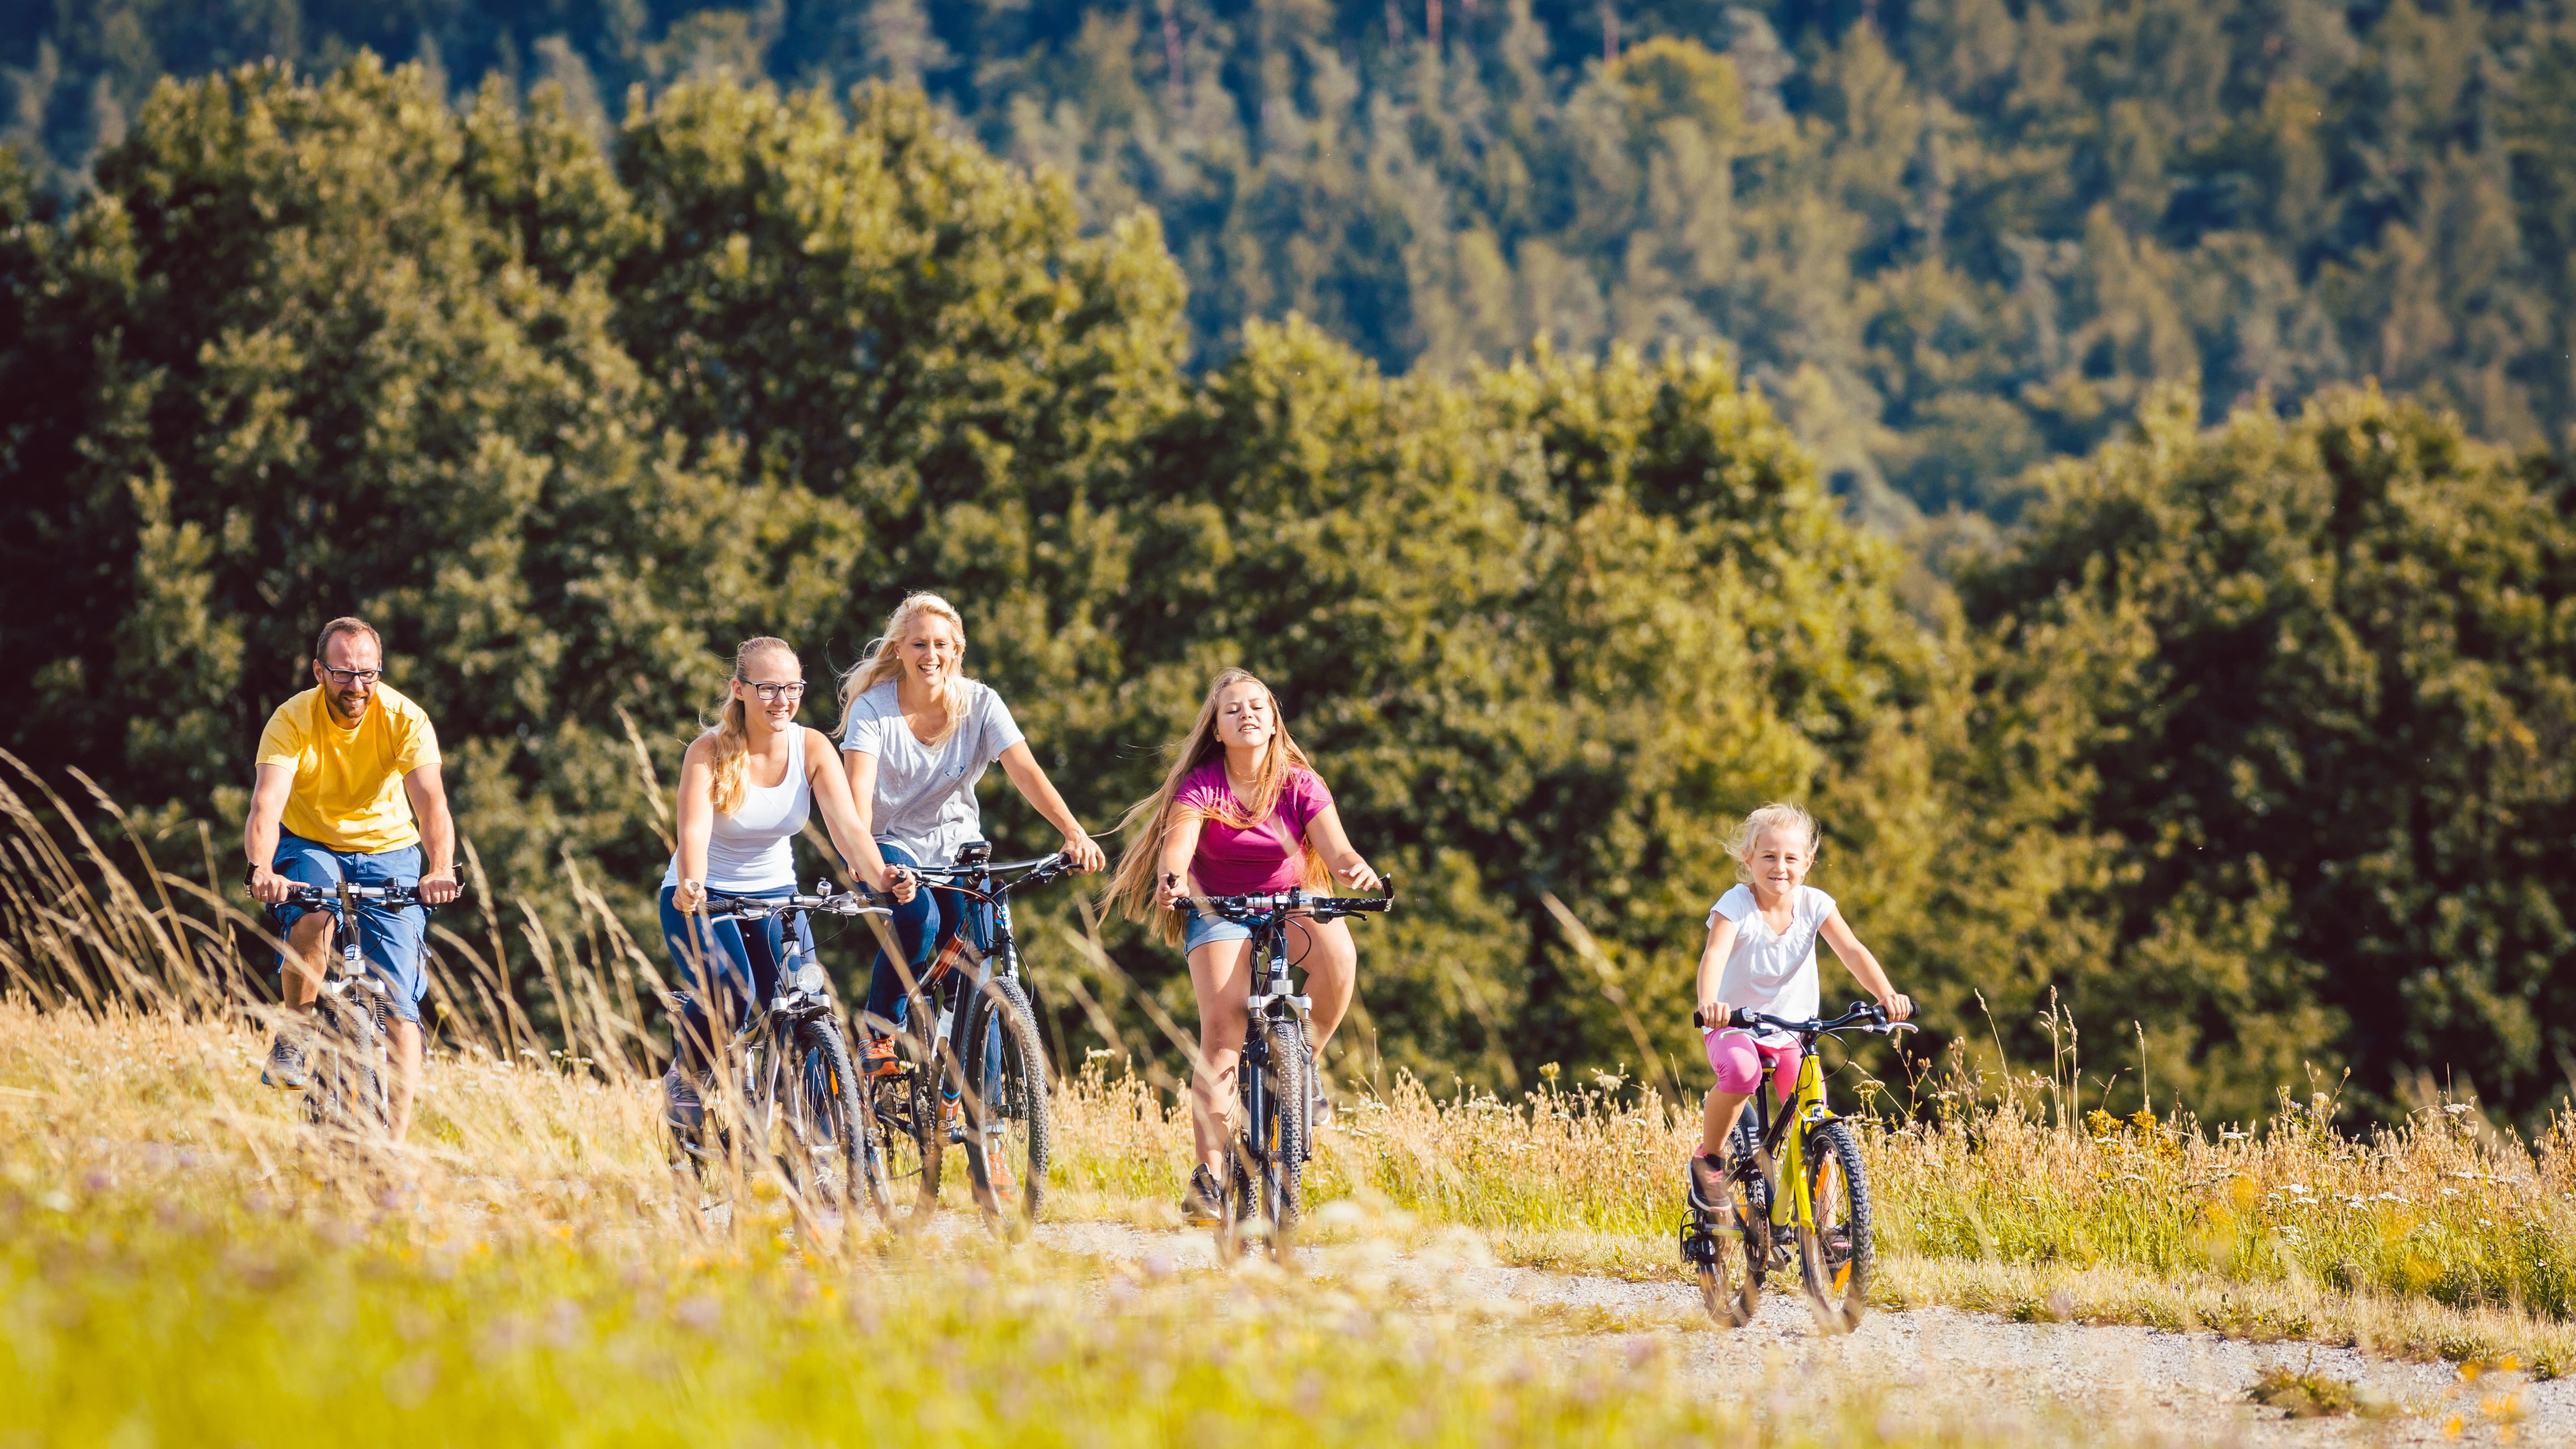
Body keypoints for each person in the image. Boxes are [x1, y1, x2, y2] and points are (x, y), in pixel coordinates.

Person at [1105, 667, 1380, 1225]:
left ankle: (1302, 1063)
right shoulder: (1202, 785)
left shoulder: (1302, 783)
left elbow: (1338, 849)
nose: (1247, 714)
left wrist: (1357, 871)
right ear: (1218, 731)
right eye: (1233, 710)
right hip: (1220, 910)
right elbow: (1177, 847)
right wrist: (1173, 881)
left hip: (1292, 902)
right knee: (1225, 1030)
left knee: (1341, 958)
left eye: (1258, 706)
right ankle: (1209, 1175)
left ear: (1275, 722)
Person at [836, 593, 1102, 1076]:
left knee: (978, 961)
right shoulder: (873, 711)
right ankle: (879, 1035)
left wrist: (1073, 832)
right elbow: (856, 794)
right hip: (889, 845)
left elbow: (1027, 772)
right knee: (921, 919)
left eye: (941, 644)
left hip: (958, 847)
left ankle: (986, 1118)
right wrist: (862, 857)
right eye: (918, 644)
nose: (930, 655)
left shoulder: (981, 704)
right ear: (899, 649)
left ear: (958, 649)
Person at [658, 636, 916, 1128]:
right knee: (732, 993)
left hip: (777, 896)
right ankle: (685, 1077)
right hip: (702, 897)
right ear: (740, 689)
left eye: (793, 687)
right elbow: (693, 831)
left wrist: (883, 876)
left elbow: (848, 830)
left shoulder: (812, 746)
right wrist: (692, 883)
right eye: (769, 688)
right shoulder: (707, 751)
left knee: (808, 1006)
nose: (783, 700)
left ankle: (821, 1155)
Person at [244, 617, 461, 1141]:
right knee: (316, 917)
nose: (357, 687)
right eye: (343, 674)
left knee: (402, 1012)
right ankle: (296, 1029)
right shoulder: (292, 718)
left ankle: (395, 1149)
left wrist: (438, 868)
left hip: (390, 850)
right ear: (320, 671)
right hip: (311, 842)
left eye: (368, 674)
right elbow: (267, 804)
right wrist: (262, 869)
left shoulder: (405, 717)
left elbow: (431, 802)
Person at [1686, 802, 1911, 1210]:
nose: (1780, 867)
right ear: (1748, 858)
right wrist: (1710, 1003)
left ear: (1808, 863)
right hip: (1734, 1025)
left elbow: (1853, 951)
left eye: (1791, 858)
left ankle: (1827, 1227)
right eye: (1769, 856)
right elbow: (1714, 955)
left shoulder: (1814, 904)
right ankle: (1710, 1159)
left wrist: (1886, 995)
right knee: (1741, 1073)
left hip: (1793, 1031)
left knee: (1815, 1116)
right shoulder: (1735, 905)